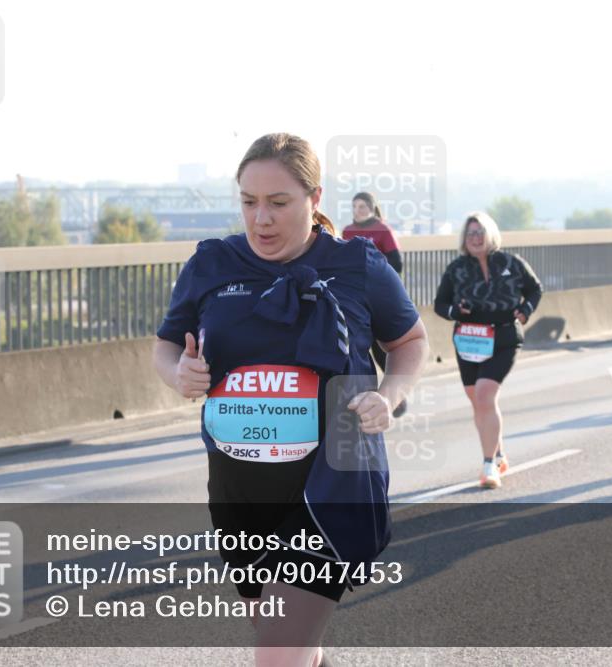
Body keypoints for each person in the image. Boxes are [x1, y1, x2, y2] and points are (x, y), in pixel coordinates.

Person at [153, 132, 428, 666]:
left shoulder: (358, 264)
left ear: (314, 198)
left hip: (337, 477)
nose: (261, 219)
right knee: (292, 646)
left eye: (278, 203)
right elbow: (166, 344)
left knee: (277, 654)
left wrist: (389, 396)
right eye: (249, 202)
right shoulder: (212, 264)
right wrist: (177, 372)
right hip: (240, 482)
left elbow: (410, 341)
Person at [434, 212, 543, 489]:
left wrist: (525, 310)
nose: (476, 238)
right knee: (479, 402)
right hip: (469, 340)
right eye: (470, 233)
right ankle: (499, 454)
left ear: (490, 234)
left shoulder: (511, 262)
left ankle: (489, 466)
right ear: (464, 239)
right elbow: (440, 304)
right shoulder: (456, 268)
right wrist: (455, 311)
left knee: (485, 394)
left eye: (480, 232)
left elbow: (534, 290)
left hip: (504, 335)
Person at [341, 192, 409, 416]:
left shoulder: (383, 230)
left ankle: (394, 396)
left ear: (371, 208)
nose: (358, 211)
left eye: (362, 207)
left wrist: (375, 277)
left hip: (378, 295)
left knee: (383, 347)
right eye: (355, 207)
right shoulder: (347, 232)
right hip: (353, 298)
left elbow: (396, 263)